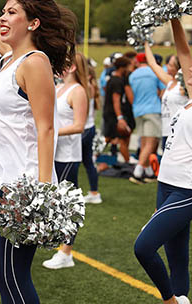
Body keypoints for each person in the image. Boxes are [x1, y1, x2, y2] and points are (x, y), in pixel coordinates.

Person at [0, 0, 75, 303]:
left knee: (13, 273)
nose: (2, 16)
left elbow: (46, 129)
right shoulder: (6, 59)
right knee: (2, 271)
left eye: (12, 12)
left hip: (25, 187)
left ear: (33, 24)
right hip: (2, 181)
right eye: (4, 10)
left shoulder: (34, 62)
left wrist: (41, 195)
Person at [134, 18, 192, 304]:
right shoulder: (190, 99)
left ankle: (171, 301)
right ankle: (182, 297)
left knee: (144, 246)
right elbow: (183, 49)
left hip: (188, 188)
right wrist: (173, 16)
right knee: (177, 257)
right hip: (166, 183)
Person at [42, 52, 88, 270]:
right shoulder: (59, 87)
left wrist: (53, 132)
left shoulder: (78, 91)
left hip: (68, 155)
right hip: (54, 153)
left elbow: (80, 125)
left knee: (69, 203)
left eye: (64, 64)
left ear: (72, 68)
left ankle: (67, 252)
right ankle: (59, 244)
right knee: (55, 201)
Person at [144, 42, 187, 153]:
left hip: (179, 132)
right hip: (166, 130)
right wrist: (145, 43)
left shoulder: (184, 86)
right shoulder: (169, 82)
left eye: (171, 65)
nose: (167, 66)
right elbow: (153, 64)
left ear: (178, 68)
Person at [129, 52, 165, 184]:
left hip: (138, 110)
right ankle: (137, 172)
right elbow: (163, 89)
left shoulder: (133, 75)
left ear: (138, 62)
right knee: (152, 142)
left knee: (144, 141)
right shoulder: (154, 72)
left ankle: (149, 171)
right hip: (152, 109)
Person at [102, 56, 135, 163]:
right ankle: (128, 162)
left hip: (112, 113)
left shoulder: (115, 79)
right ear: (122, 68)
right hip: (113, 114)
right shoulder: (117, 81)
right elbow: (116, 100)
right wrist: (120, 118)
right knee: (115, 138)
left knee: (113, 137)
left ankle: (93, 153)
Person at [82, 63, 102, 204]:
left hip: (84, 129)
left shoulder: (86, 87)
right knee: (88, 162)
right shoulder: (92, 86)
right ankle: (94, 192)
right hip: (89, 127)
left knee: (76, 163)